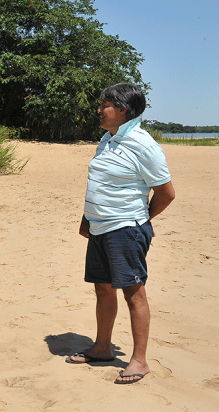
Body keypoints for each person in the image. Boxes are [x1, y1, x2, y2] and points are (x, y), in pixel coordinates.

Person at [65, 83, 175, 384]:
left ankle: (139, 360)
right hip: (100, 228)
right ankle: (102, 348)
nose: (99, 110)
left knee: (133, 292)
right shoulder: (108, 138)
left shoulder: (144, 144)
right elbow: (100, 182)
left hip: (125, 230)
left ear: (124, 109)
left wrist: (139, 221)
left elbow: (166, 193)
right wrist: (88, 218)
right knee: (102, 288)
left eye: (105, 105)